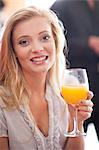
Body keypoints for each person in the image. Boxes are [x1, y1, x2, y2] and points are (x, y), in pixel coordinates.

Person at [0, 6, 93, 150]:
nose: (37, 48)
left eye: (45, 38)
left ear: (55, 42)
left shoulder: (69, 88)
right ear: (13, 51)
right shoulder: (2, 101)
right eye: (24, 42)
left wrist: (77, 120)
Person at [51, 0, 99, 140]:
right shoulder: (61, 6)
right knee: (74, 136)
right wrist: (88, 43)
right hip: (73, 83)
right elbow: (53, 44)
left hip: (97, 81)